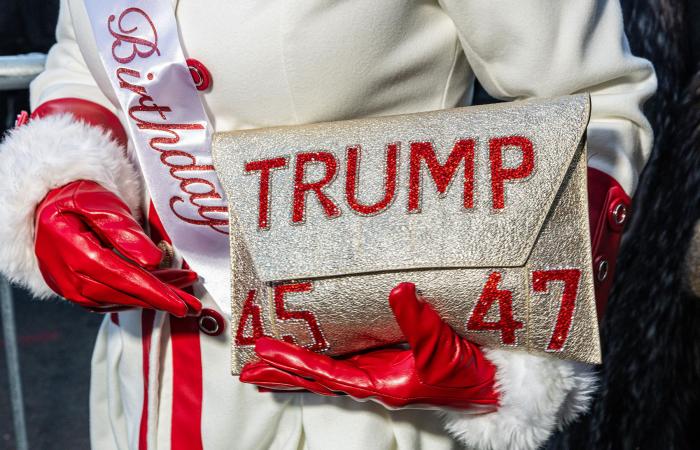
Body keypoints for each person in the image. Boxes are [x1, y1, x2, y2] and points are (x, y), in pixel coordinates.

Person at [0, 1, 655, 449]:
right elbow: (84, 54)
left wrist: (512, 349)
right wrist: (64, 183)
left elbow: (596, 103)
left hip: (366, 401)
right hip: (144, 388)